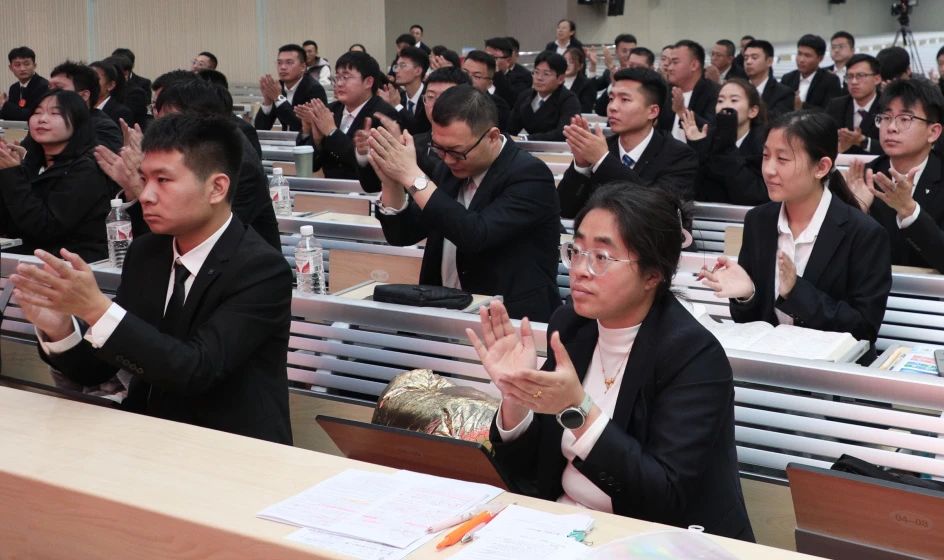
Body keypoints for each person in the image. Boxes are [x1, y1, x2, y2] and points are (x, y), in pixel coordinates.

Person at [471, 184, 754, 541]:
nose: (580, 270)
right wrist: (517, 396)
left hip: (655, 541)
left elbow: (663, 496)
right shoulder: (571, 327)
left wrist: (578, 409)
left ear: (652, 275)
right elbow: (528, 471)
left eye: (602, 257)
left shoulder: (693, 356)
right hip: (566, 527)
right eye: (576, 251)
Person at [14, 113, 293, 444]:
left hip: (233, 445)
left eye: (163, 180)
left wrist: (97, 309)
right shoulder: (147, 252)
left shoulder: (262, 270)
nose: (145, 195)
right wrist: (59, 328)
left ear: (217, 188)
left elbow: (196, 370)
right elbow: (99, 368)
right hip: (148, 436)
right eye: (144, 179)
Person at [699, 111, 891, 360]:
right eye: (766, 156)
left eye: (782, 159)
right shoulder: (759, 220)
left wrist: (796, 292)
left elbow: (864, 329)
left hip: (834, 372)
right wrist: (747, 295)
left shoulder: (865, 234)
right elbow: (754, 327)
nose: (769, 169)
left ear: (821, 167)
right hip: (770, 365)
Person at [368, 85, 561, 322]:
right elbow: (403, 234)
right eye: (439, 149)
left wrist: (413, 177)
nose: (448, 159)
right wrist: (392, 182)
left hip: (511, 319)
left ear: (492, 137)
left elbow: (475, 234)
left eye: (456, 152)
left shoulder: (530, 174)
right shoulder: (449, 168)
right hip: (442, 312)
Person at [98, 79, 280, 251]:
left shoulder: (238, 163)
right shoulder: (182, 155)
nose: (162, 129)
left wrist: (139, 184)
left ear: (201, 119)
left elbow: (205, 239)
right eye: (158, 117)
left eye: (171, 121)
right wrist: (133, 185)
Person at [559, 68, 698, 218]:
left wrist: (603, 160)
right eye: (611, 99)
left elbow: (660, 211)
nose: (612, 107)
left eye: (625, 100)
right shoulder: (601, 148)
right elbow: (564, 210)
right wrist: (582, 166)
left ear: (652, 111)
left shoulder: (679, 155)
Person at [845, 78, 944, 272]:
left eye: (905, 119)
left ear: (933, 132)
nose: (891, 127)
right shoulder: (863, 177)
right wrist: (857, 213)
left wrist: (909, 211)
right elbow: (835, 259)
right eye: (886, 117)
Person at [0, 89, 111, 261]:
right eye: (37, 112)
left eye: (55, 113)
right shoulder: (32, 162)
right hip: (31, 254)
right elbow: (10, 222)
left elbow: (46, 227)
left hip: (74, 261)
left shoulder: (86, 168)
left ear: (78, 121)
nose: (42, 119)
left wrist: (12, 175)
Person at [355, 67, 470, 193]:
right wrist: (364, 153)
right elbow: (374, 186)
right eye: (430, 96)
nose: (436, 104)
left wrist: (401, 152)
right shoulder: (414, 142)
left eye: (445, 97)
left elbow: (441, 185)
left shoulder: (470, 145)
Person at [295, 51, 400, 179]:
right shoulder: (331, 110)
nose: (339, 83)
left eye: (346, 77)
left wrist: (332, 132)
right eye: (337, 77)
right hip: (329, 188)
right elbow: (312, 166)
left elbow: (372, 170)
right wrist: (312, 136)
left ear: (368, 82)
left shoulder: (384, 115)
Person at [682, 78, 768, 205]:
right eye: (720, 101)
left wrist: (726, 147)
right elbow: (695, 191)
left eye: (734, 100)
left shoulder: (764, 143)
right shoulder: (708, 137)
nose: (725, 106)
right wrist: (698, 146)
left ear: (752, 111)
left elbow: (754, 194)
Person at [44, 61, 122, 152]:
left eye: (58, 88)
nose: (51, 94)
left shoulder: (104, 128)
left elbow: (94, 158)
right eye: (49, 88)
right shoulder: (45, 121)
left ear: (84, 95)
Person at [507, 51, 580, 142]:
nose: (539, 78)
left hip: (558, 149)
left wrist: (525, 139)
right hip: (527, 147)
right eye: (536, 72)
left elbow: (563, 133)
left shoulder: (569, 100)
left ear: (560, 79)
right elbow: (511, 128)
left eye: (546, 74)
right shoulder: (525, 96)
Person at [253, 43, 327, 132]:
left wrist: (278, 98)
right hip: (285, 139)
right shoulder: (279, 87)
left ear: (303, 67)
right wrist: (267, 101)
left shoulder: (314, 89)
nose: (283, 67)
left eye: (289, 62)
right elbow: (260, 129)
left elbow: (301, 127)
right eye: (279, 63)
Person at [660, 40, 721, 142]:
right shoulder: (666, 91)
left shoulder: (715, 93)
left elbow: (712, 131)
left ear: (694, 65)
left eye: (675, 62)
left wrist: (682, 111)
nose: (669, 68)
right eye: (669, 63)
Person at [825, 54, 883, 156]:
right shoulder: (836, 106)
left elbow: (898, 147)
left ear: (877, 79)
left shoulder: (888, 106)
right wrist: (838, 147)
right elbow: (822, 141)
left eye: (860, 76)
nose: (854, 82)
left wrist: (863, 141)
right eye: (849, 76)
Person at [781, 34, 843, 110]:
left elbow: (830, 111)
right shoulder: (787, 79)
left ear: (820, 58)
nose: (801, 60)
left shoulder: (830, 81)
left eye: (807, 56)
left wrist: (802, 106)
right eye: (799, 54)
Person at [379, 46, 430, 134]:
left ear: (418, 71)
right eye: (396, 66)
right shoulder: (399, 97)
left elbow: (418, 130)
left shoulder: (429, 97)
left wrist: (397, 106)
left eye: (402, 66)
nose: (396, 71)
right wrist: (389, 106)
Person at [742, 40, 793, 119]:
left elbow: (778, 121)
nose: (748, 62)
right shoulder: (739, 89)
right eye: (746, 58)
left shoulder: (784, 93)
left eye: (754, 58)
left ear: (769, 61)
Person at [462, 50, 511, 132]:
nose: (467, 79)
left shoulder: (498, 107)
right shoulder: (448, 98)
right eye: (465, 72)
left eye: (477, 76)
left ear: (489, 83)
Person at [0, 46, 48, 121]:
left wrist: (4, 104)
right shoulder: (14, 88)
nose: (22, 69)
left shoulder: (43, 86)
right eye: (17, 65)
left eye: (27, 64)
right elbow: (10, 115)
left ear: (34, 65)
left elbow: (33, 115)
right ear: (11, 68)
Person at [486, 37, 531, 108]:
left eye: (494, 58)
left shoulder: (522, 76)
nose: (487, 61)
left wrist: (497, 74)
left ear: (508, 60)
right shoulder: (480, 75)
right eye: (486, 57)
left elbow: (513, 101)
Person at [89, 59, 134, 126]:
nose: (89, 83)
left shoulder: (121, 113)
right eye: (87, 78)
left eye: (95, 79)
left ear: (111, 85)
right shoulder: (80, 108)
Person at [564, 47, 597, 113]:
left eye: (571, 62)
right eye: (564, 61)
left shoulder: (586, 85)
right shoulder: (554, 81)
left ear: (580, 66)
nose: (567, 64)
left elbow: (586, 109)